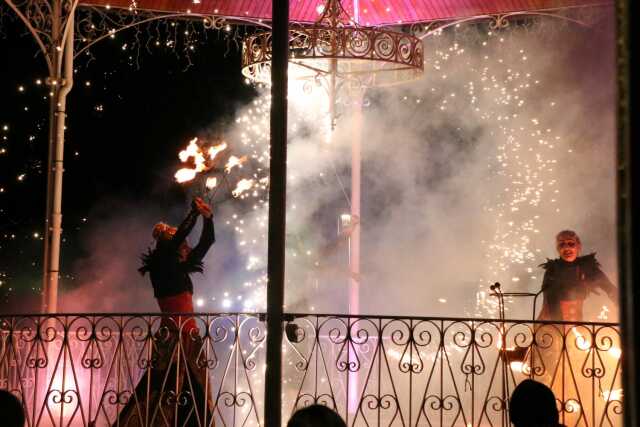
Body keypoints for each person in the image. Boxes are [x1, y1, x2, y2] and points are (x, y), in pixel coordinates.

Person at [114, 197, 215, 427]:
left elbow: (208, 241)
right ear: (171, 247)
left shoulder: (179, 267)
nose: (187, 247)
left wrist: (208, 218)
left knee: (194, 393)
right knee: (165, 391)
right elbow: (178, 238)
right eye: (182, 244)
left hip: (190, 339)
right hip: (171, 340)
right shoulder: (160, 266)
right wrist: (194, 213)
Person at [537, 230, 617, 322]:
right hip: (550, 325)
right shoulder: (552, 270)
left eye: (570, 243)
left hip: (575, 325)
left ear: (578, 246)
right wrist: (560, 329)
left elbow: (610, 289)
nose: (566, 248)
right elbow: (552, 301)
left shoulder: (588, 268)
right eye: (561, 244)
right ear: (558, 249)